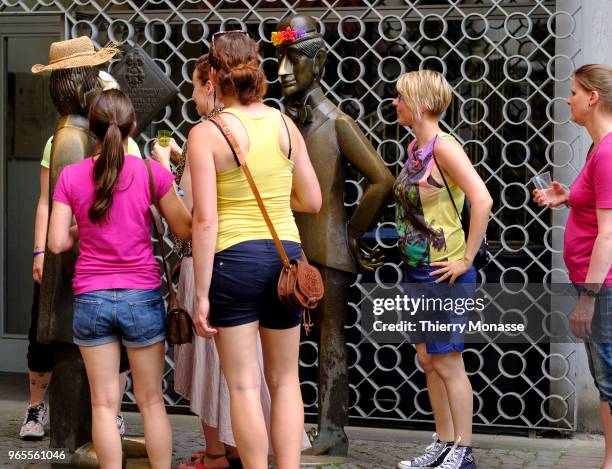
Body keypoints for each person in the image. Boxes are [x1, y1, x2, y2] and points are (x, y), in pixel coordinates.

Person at [188, 32, 321, 469]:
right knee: (286, 382)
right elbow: (313, 200)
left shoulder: (206, 134)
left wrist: (202, 293)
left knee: (243, 386)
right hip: (286, 258)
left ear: (212, 76)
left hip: (234, 261)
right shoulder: (284, 124)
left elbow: (205, 220)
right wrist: (279, 198)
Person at [47, 89, 191, 469]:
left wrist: (80, 229)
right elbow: (185, 228)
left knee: (103, 403)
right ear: (133, 126)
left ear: (92, 129)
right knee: (151, 401)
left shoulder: (71, 176)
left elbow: (57, 241)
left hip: (91, 298)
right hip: (141, 296)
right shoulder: (150, 172)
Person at [392, 70, 492, 469]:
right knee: (428, 359)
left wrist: (465, 258)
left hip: (443, 271)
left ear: (422, 104)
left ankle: (463, 451)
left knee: (448, 361)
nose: (395, 104)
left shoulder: (444, 147)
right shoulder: (415, 146)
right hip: (418, 268)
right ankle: (445, 442)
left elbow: (481, 200)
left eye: (401, 97)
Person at [533, 64, 612, 469]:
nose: (568, 99)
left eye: (574, 92)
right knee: (605, 379)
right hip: (597, 284)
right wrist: (568, 197)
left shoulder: (608, 151)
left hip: (603, 286)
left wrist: (589, 297)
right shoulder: (597, 148)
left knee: (610, 379)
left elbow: (608, 234)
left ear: (593, 98)